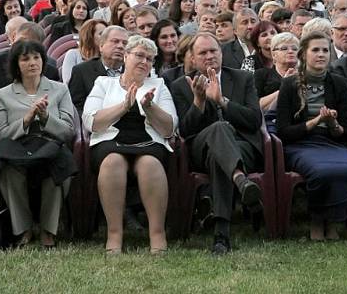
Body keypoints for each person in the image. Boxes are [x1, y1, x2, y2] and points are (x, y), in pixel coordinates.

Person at [170, 32, 263, 254]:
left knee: (218, 158)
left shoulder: (242, 78)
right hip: (200, 150)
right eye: (203, 52)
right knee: (218, 130)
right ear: (192, 58)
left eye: (214, 51)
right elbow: (186, 130)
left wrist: (222, 101)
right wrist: (199, 102)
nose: (210, 56)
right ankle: (241, 180)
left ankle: (221, 236)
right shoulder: (181, 85)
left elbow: (254, 120)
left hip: (243, 146)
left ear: (221, 54)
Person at [83, 35, 177, 254]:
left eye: (150, 59)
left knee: (149, 165)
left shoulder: (159, 85)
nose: (145, 62)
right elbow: (91, 122)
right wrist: (124, 106)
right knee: (112, 163)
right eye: (139, 56)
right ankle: (114, 235)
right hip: (110, 142)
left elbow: (169, 128)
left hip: (149, 143)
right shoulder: (103, 83)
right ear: (126, 56)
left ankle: (157, 234)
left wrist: (150, 107)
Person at [0, 39, 76, 247]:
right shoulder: (3, 94)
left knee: (57, 167)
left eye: (36, 57)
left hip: (50, 144)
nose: (32, 63)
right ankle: (23, 228)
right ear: (16, 65)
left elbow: (68, 131)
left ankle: (48, 230)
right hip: (18, 146)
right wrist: (26, 119)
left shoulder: (59, 90)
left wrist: (46, 117)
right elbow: (1, 134)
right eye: (25, 58)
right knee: (8, 170)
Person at [275, 31, 347, 241]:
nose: (321, 54)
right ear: (303, 54)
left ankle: (333, 221)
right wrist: (314, 122)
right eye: (315, 50)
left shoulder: (339, 84)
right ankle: (316, 219)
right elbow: (284, 131)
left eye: (325, 50)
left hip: (332, 142)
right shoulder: (289, 84)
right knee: (321, 171)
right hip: (301, 144)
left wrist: (332, 123)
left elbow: (345, 131)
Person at [68, 25, 127, 112]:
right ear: (101, 46)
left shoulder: (133, 72)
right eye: (115, 41)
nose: (120, 46)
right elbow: (75, 107)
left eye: (125, 43)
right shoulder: (82, 71)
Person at [254, 32, 298, 111]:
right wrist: (285, 86)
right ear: (274, 55)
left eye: (295, 49)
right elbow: (256, 106)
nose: (291, 51)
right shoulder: (261, 74)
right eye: (284, 48)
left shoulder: (304, 75)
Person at [61, 19, 107, 85]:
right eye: (101, 34)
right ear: (89, 36)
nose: (106, 38)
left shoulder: (108, 58)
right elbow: (68, 83)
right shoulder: (73, 54)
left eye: (107, 34)